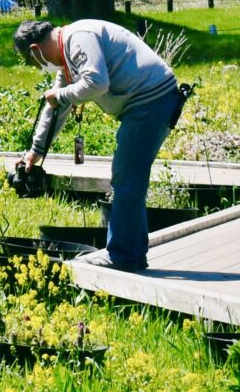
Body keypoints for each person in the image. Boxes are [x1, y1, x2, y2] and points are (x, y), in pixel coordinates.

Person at [13, 17, 190, 272]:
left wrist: (62, 95)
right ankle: (131, 254)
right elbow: (56, 108)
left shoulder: (78, 38)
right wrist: (35, 151)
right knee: (129, 178)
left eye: (31, 63)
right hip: (147, 102)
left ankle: (123, 256)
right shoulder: (67, 56)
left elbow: (96, 83)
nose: (36, 67)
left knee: (127, 177)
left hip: (151, 100)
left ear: (35, 51)